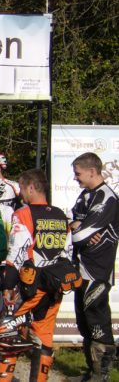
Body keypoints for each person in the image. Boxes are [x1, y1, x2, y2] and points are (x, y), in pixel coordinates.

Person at [0, 168, 73, 381]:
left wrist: (8, 285)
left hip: (28, 287)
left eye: (23, 188)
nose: (21, 194)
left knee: (7, 333)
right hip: (53, 287)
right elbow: (67, 253)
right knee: (44, 337)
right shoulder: (61, 216)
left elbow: (16, 253)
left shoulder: (23, 214)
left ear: (32, 187)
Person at [70, 152, 119, 381]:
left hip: (98, 270)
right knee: (84, 322)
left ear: (92, 171)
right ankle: (91, 372)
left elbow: (79, 235)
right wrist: (77, 225)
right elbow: (72, 225)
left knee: (98, 321)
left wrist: (80, 228)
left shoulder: (107, 197)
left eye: (78, 173)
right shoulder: (84, 196)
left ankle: (102, 375)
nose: (75, 178)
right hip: (81, 267)